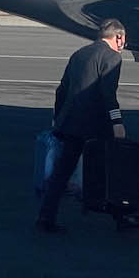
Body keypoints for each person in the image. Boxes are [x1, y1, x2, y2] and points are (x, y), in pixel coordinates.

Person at [36, 18, 129, 234]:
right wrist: (117, 122)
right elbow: (108, 93)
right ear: (118, 37)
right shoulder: (112, 57)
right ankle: (121, 216)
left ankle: (45, 217)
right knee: (112, 168)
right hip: (96, 123)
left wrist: (58, 120)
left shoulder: (79, 54)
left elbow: (61, 89)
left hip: (71, 122)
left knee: (61, 172)